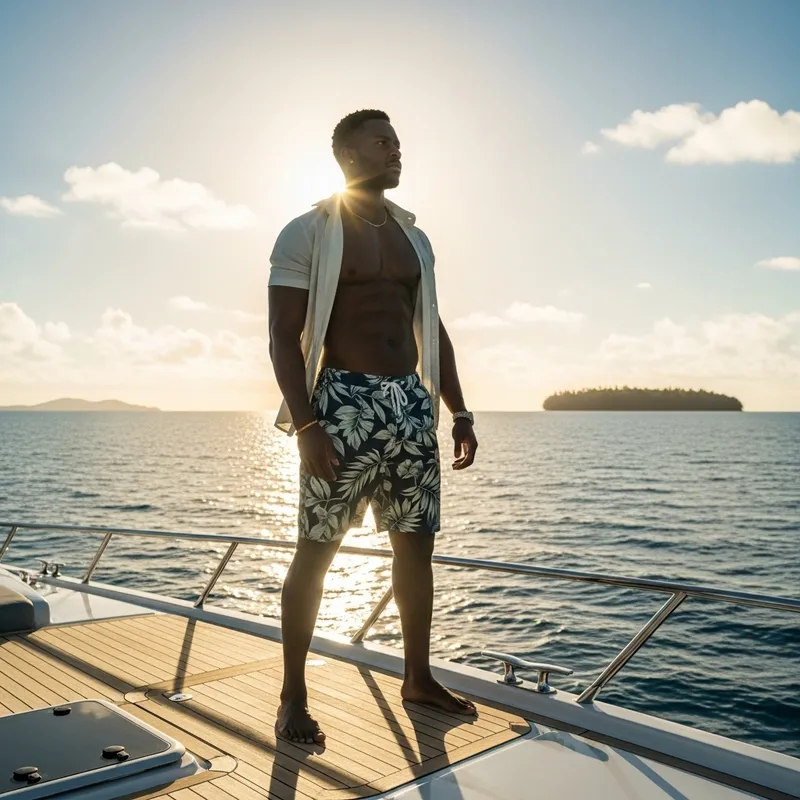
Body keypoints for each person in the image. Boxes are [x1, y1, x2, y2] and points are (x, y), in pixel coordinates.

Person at [268, 109, 478, 745]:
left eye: (397, 141)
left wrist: (457, 408)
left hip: (410, 402)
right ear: (350, 156)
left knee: (416, 543)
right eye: (383, 143)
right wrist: (306, 424)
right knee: (319, 546)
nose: (397, 151)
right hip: (341, 404)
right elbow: (282, 335)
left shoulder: (414, 238)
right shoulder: (307, 231)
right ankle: (293, 696)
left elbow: (430, 325)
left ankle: (418, 675)